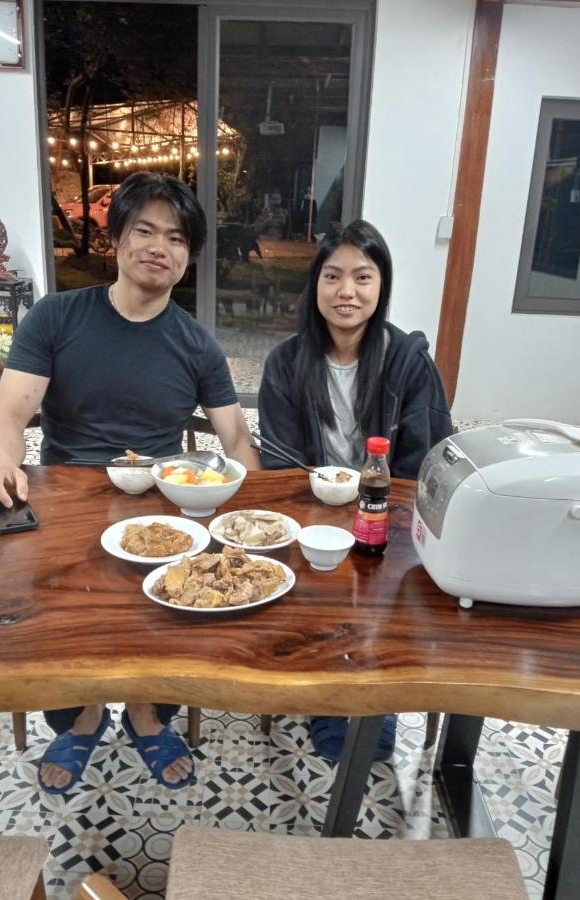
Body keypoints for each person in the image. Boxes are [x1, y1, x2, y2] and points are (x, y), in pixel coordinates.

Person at [0, 172, 260, 795]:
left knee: (175, 604)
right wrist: (0, 463)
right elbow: (8, 414)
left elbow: (235, 439)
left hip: (161, 504)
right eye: (144, 230)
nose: (158, 247)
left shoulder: (197, 344)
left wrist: (253, 508)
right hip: (66, 499)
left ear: (188, 256)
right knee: (52, 610)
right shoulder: (57, 316)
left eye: (175, 238)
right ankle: (84, 713)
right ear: (116, 238)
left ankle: (148, 712)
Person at [257, 219, 452, 762]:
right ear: (315, 284)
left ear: (381, 285)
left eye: (363, 277)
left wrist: (379, 515)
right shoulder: (286, 363)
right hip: (313, 511)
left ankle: (374, 696)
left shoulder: (408, 362)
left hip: (384, 516)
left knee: (383, 584)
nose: (347, 291)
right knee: (316, 579)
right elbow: (282, 464)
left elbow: (424, 462)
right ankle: (325, 689)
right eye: (333, 276)